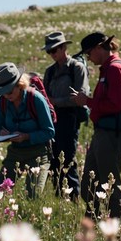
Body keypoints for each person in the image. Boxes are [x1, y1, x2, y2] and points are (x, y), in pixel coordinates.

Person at [71, 32, 121, 225]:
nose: (88, 57)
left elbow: (115, 104)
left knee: (110, 185)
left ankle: (120, 233)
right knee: (89, 182)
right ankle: (93, 225)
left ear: (99, 48)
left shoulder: (115, 69)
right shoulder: (107, 69)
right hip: (102, 133)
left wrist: (86, 101)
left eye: (89, 53)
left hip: (111, 135)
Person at [0, 63, 55, 198]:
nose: (6, 96)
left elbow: (49, 131)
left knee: (33, 195)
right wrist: (2, 133)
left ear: (19, 85)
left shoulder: (36, 99)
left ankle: (30, 218)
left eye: (9, 91)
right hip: (15, 153)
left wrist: (26, 136)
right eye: (3, 92)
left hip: (38, 153)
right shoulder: (2, 102)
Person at [42, 31, 90, 201]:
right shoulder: (49, 72)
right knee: (54, 159)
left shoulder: (76, 68)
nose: (52, 54)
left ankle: (74, 198)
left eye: (55, 50)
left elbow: (82, 96)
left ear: (64, 47)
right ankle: (60, 197)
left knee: (67, 159)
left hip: (69, 118)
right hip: (52, 119)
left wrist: (55, 101)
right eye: (49, 52)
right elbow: (45, 95)